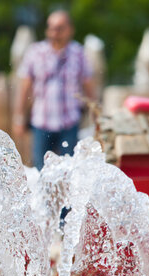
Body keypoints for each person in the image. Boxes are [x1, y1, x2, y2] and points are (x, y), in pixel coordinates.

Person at [13, 10, 95, 170]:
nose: (54, 32)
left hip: (69, 122)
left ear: (70, 29)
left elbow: (89, 86)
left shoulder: (78, 53)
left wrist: (96, 116)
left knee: (70, 171)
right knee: (40, 171)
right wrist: (19, 118)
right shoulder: (35, 52)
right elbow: (24, 88)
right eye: (51, 28)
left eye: (59, 28)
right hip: (41, 122)